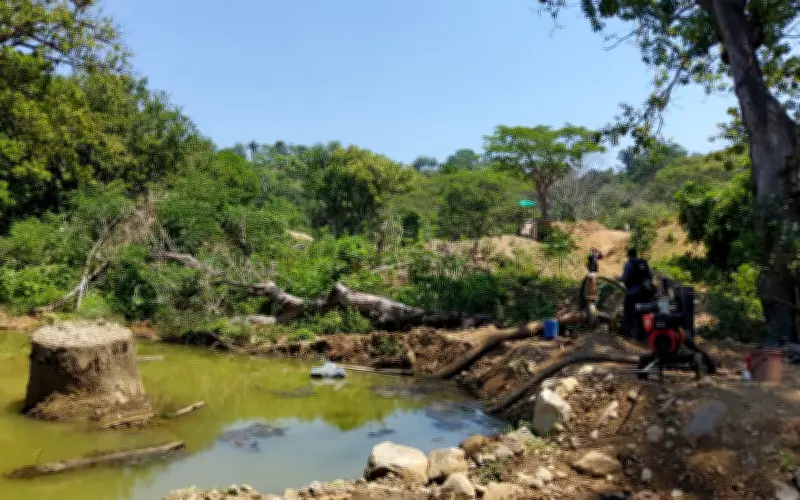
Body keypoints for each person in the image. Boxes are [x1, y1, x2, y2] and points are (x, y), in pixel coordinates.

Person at [618, 248, 654, 339]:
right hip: (645, 293)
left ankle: (628, 334)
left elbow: (625, 278)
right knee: (642, 313)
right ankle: (643, 335)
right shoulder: (643, 263)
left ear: (628, 255)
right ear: (636, 254)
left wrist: (617, 278)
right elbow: (650, 276)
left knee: (628, 312)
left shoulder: (629, 264)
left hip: (633, 293)